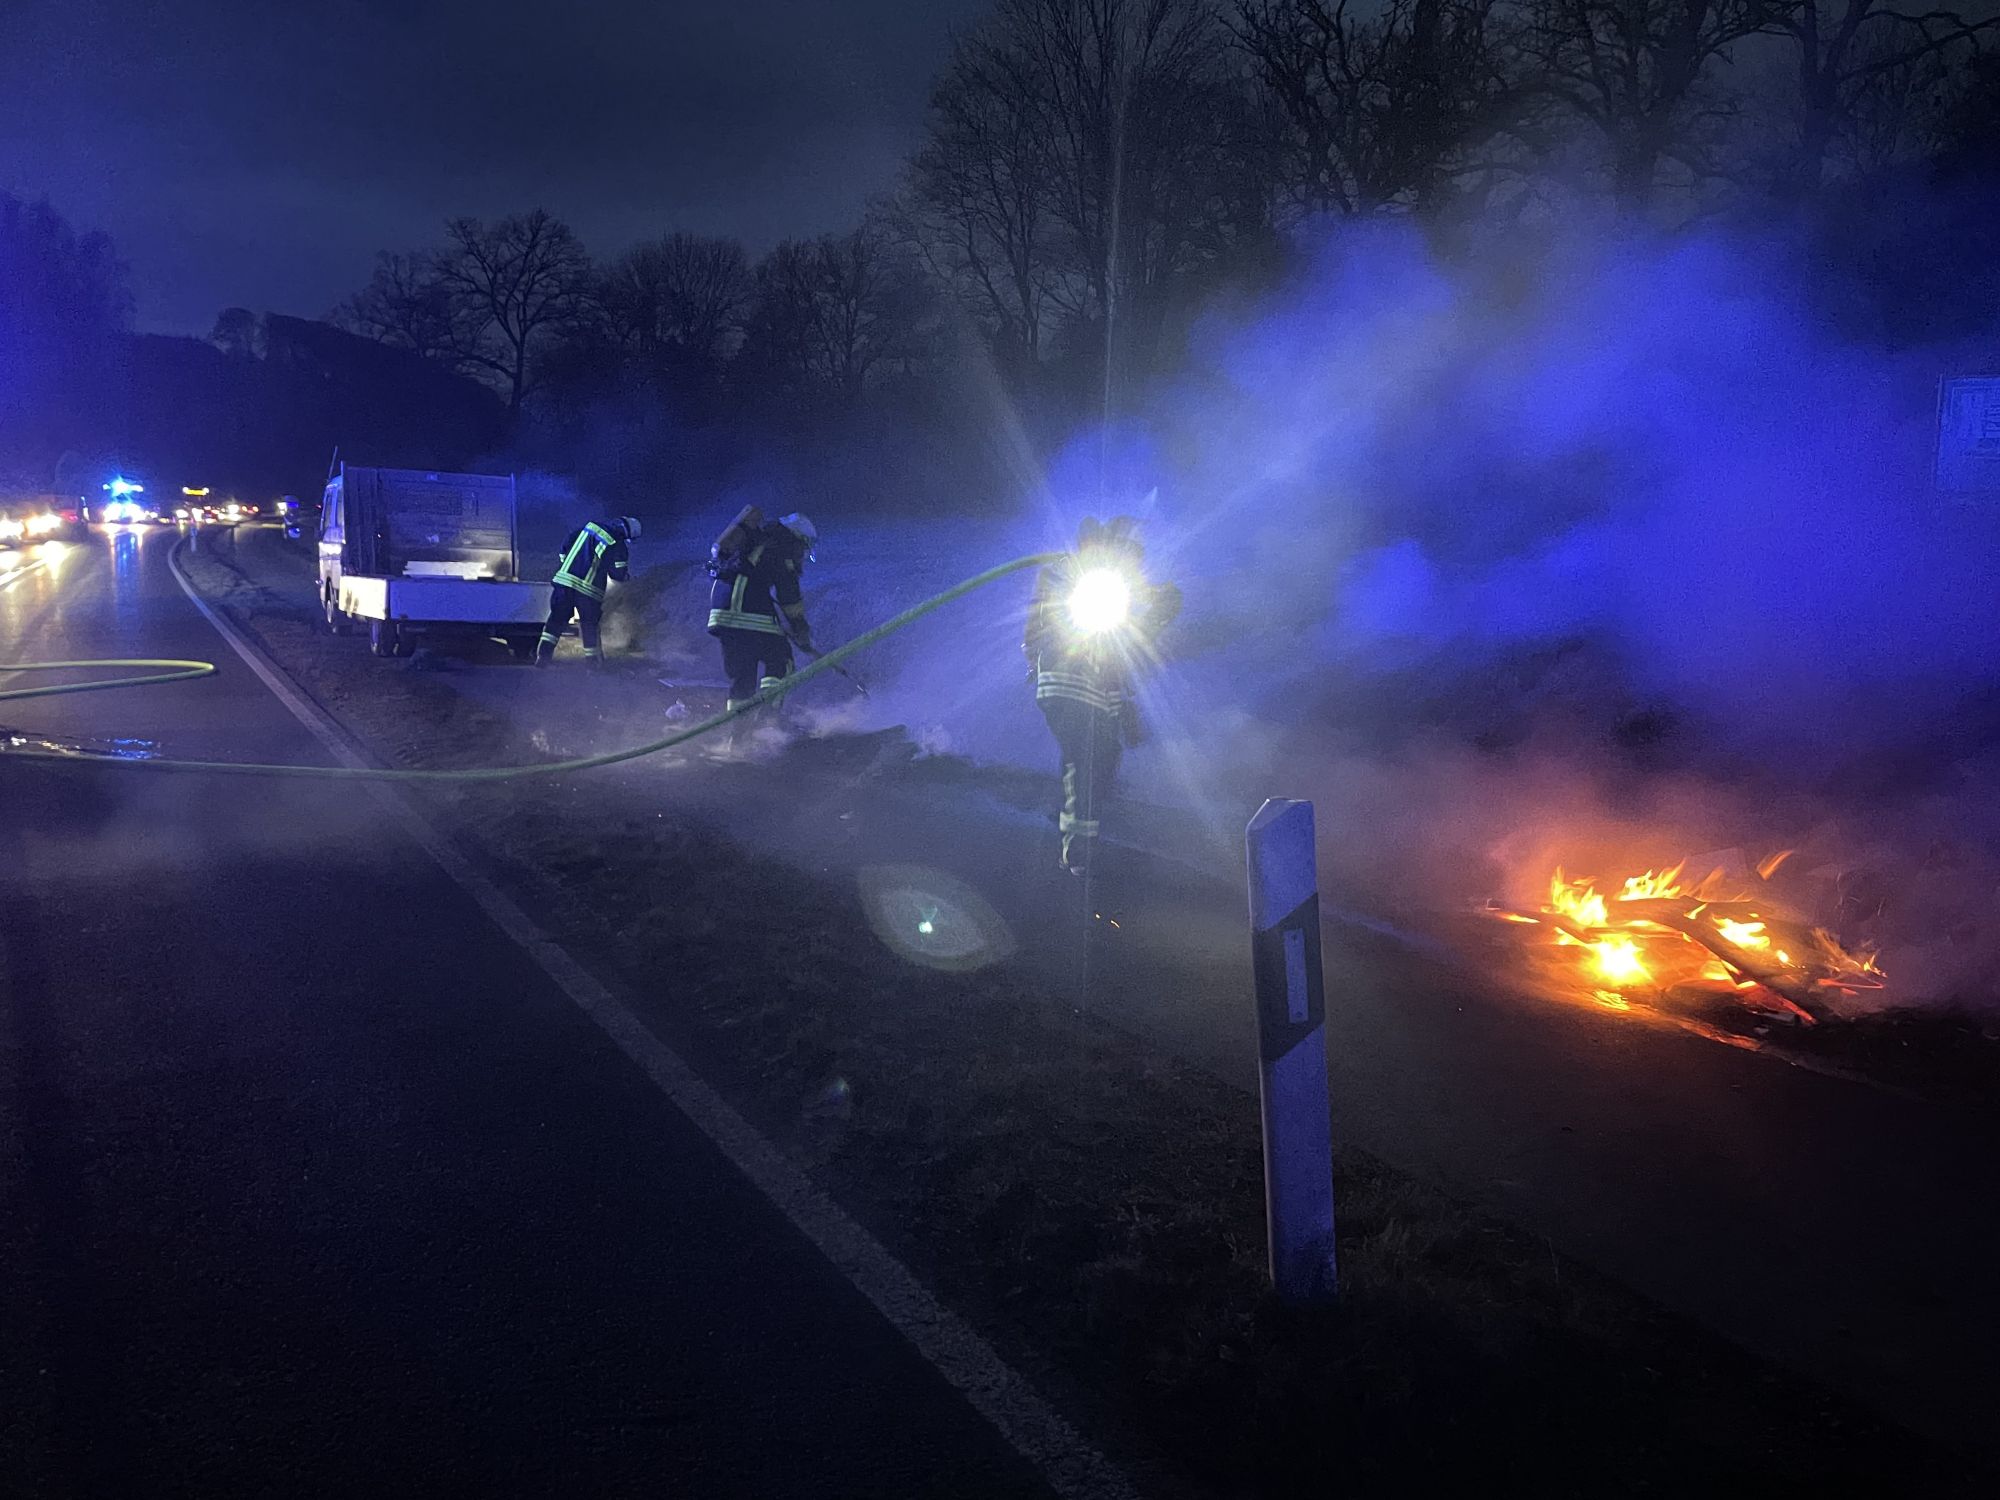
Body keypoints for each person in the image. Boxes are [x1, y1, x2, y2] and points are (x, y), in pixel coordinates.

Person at [1024, 516, 1180, 875]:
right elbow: (1057, 617)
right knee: (1086, 756)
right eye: (1130, 551)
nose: (1134, 560)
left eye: (1137, 554)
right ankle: (1078, 850)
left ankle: (1080, 840)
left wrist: (1162, 604)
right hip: (1067, 680)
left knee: (1102, 755)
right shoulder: (1081, 573)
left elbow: (1118, 653)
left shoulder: (1119, 583)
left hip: (1093, 687)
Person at [707, 506, 817, 712]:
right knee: (781, 659)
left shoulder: (754, 541)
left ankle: (740, 729)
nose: (801, 554)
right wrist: (800, 628)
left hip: (721, 613)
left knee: (743, 677)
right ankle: (769, 718)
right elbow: (789, 597)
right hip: (747, 613)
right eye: (803, 548)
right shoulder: (782, 549)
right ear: (798, 539)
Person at [537, 514, 640, 667]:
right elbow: (618, 574)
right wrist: (627, 577)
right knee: (589, 626)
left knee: (555, 621)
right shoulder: (617, 544)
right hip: (588, 591)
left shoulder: (588, 528)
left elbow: (566, 545)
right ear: (627, 534)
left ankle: (543, 658)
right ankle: (594, 665)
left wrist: (567, 564)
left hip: (564, 582)